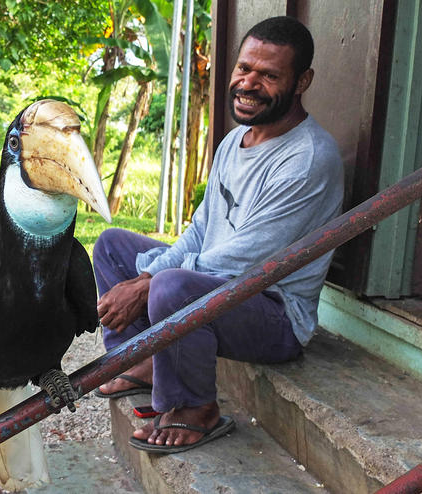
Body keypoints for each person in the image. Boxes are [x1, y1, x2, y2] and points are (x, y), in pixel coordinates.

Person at [93, 16, 344, 453]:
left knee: (169, 287)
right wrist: (144, 276)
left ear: (303, 81)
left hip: (275, 313)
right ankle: (144, 358)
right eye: (244, 68)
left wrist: (151, 283)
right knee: (114, 246)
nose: (249, 83)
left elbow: (244, 261)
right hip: (225, 287)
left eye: (269, 75)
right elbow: (201, 233)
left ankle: (193, 408)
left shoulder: (307, 160)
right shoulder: (235, 142)